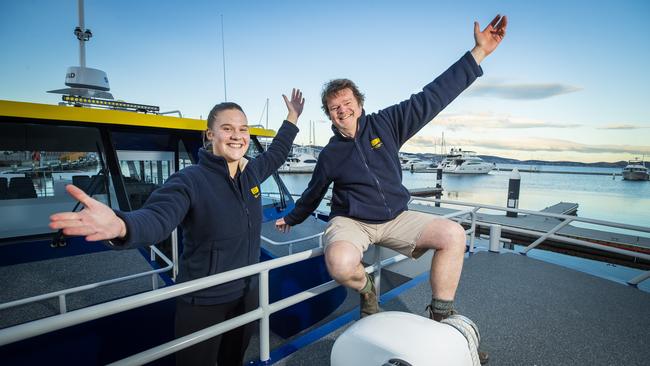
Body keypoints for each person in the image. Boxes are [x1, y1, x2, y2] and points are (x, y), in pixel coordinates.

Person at [275, 15, 507, 363]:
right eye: (334, 108)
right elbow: (313, 192)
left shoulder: (387, 123)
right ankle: (368, 294)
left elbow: (434, 95)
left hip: (395, 217)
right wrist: (293, 217)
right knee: (340, 263)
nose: (342, 110)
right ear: (329, 115)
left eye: (347, 102)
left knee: (453, 234)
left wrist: (478, 52)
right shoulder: (329, 154)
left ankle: (442, 318)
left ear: (360, 103)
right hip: (353, 221)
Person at [49, 89, 305, 366]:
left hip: (247, 292)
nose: (237, 136)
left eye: (243, 129)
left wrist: (292, 117)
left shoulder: (252, 172)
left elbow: (278, 151)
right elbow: (158, 217)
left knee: (233, 360)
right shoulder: (189, 180)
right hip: (204, 300)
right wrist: (122, 224)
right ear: (210, 134)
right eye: (227, 128)